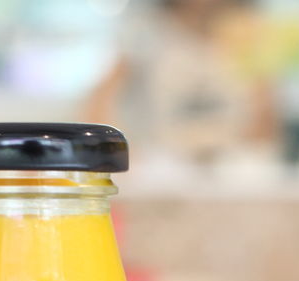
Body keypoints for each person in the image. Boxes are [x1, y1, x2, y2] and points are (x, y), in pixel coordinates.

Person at [85, 0, 280, 161]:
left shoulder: (250, 31)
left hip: (231, 168)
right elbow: (100, 101)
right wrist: (118, 153)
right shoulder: (147, 30)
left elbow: (266, 114)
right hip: (162, 166)